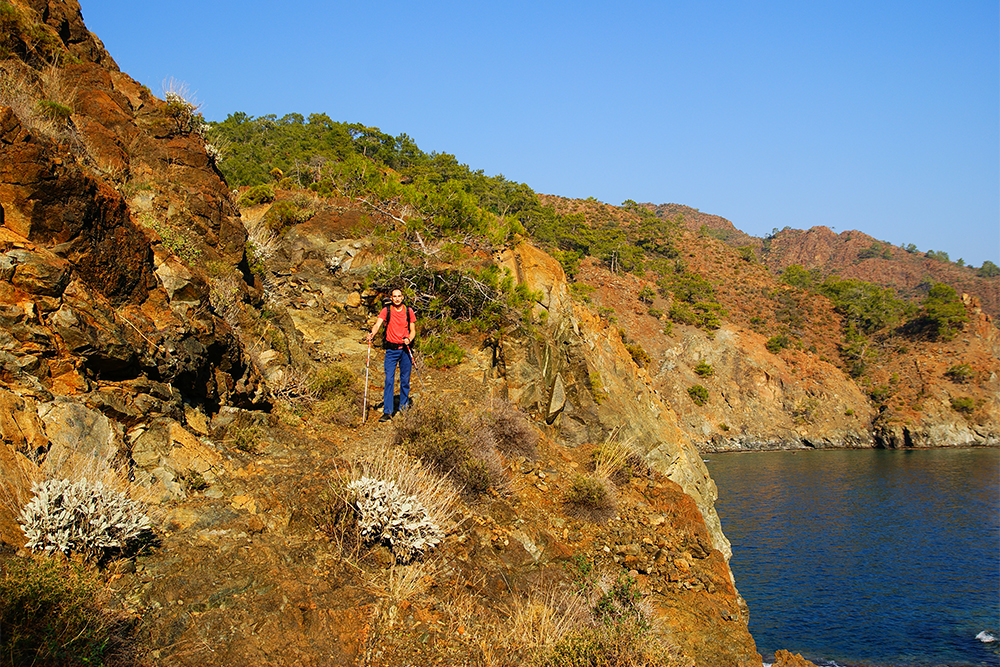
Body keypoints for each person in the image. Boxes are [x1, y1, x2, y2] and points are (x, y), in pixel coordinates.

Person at [366, 288, 416, 422]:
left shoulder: (408, 311)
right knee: (389, 379)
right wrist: (372, 334)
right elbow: (377, 324)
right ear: (391, 298)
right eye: (395, 296)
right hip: (391, 350)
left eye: (399, 296)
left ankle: (404, 409)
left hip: (405, 349)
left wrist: (409, 339)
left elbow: (413, 330)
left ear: (403, 297)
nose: (397, 298)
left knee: (405, 380)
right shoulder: (386, 311)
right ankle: (387, 411)